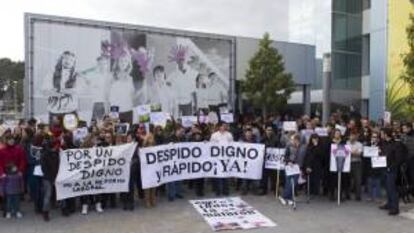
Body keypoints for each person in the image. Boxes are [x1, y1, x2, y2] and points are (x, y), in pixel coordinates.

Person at [379, 128, 404, 215]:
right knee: (387, 188)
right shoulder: (383, 143)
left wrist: (391, 167)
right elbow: (381, 154)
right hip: (383, 168)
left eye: (382, 133)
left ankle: (395, 208)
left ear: (386, 134)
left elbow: (398, 159)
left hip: (391, 169)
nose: (380, 135)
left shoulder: (396, 144)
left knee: (392, 188)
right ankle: (389, 204)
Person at [210, 122, 234, 196]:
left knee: (226, 175)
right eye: (223, 126)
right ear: (219, 127)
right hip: (217, 158)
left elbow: (232, 145)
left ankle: (225, 191)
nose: (224, 127)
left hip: (226, 158)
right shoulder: (214, 135)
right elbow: (211, 145)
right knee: (218, 175)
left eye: (225, 126)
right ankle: (218, 191)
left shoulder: (229, 135)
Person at [40, 135, 59, 221]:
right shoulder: (44, 155)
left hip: (55, 177)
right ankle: (45, 212)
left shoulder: (56, 153)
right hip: (48, 178)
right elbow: (44, 169)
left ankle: (63, 208)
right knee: (47, 195)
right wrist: (52, 179)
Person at [279, 134, 301, 206]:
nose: (295, 142)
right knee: (289, 182)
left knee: (294, 183)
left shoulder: (300, 147)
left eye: (297, 140)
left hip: (296, 166)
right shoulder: (289, 146)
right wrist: (288, 161)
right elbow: (285, 156)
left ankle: (290, 197)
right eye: (294, 140)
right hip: (289, 165)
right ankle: (283, 196)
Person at [259, 125, 280, 195]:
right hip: (265, 160)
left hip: (273, 160)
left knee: (274, 176)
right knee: (264, 176)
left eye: (270, 130)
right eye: (268, 130)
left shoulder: (275, 139)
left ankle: (275, 190)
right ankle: (263, 189)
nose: (269, 131)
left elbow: (279, 147)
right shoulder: (262, 138)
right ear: (265, 130)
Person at [346, 130, 363, 201]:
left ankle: (358, 196)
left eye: (353, 135)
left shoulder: (359, 144)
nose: (352, 137)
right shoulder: (346, 143)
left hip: (357, 163)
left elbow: (359, 153)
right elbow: (345, 153)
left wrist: (350, 152)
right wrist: (354, 152)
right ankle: (347, 195)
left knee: (358, 180)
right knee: (348, 180)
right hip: (348, 163)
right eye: (351, 135)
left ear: (356, 136)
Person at [142, 132, 157, 208]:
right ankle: (147, 200)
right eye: (149, 138)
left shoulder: (156, 147)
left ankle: (153, 199)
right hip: (146, 169)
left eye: (152, 137)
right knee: (147, 185)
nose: (151, 139)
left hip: (153, 168)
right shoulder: (144, 148)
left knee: (153, 185)